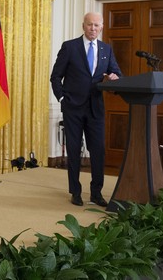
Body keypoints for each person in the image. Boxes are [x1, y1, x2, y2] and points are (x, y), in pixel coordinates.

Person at [50, 12, 122, 207]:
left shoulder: (106, 49)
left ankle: (96, 193)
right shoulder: (70, 47)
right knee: (73, 150)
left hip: (95, 108)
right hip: (72, 107)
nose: (93, 28)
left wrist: (114, 77)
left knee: (98, 151)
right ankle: (75, 192)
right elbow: (55, 77)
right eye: (90, 25)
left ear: (102, 27)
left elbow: (116, 72)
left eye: (97, 25)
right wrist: (62, 98)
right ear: (83, 26)